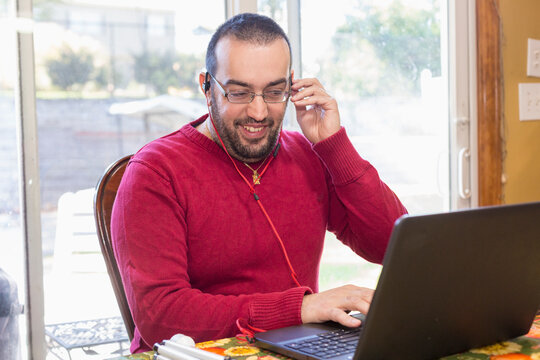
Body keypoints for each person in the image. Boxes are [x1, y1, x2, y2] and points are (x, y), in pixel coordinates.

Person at [111, 13, 407, 353]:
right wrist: (299, 308)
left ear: (293, 85)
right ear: (207, 87)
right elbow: (160, 317)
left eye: (274, 92)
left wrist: (333, 144)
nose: (258, 112)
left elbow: (391, 246)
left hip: (299, 347)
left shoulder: (308, 154)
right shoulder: (155, 171)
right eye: (239, 93)